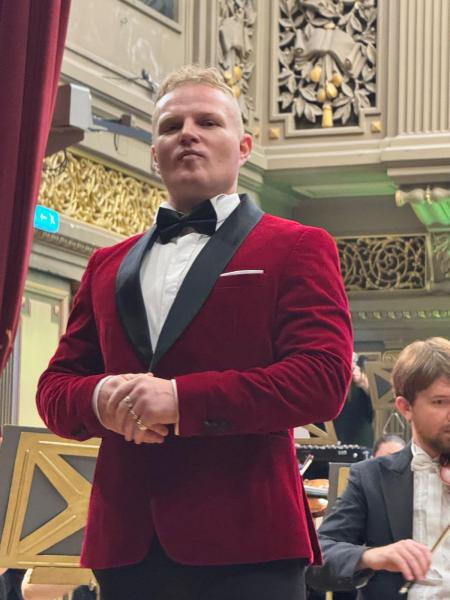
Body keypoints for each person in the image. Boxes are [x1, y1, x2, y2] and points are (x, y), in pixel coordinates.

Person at [36, 65, 353, 600]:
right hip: (126, 543)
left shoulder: (297, 246)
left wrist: (181, 400)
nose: (188, 133)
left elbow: (321, 380)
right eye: (171, 126)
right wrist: (99, 398)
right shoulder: (106, 264)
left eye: (208, 122)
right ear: (153, 154)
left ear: (244, 147)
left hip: (249, 543)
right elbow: (54, 387)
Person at [306, 337, 450, 599]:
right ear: (405, 408)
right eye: (440, 402)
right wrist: (372, 556)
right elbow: (319, 558)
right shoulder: (371, 477)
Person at [333, 353, 373, 448]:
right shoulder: (336, 377)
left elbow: (372, 409)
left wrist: (363, 383)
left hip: (360, 436)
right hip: (338, 433)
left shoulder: (363, 375)